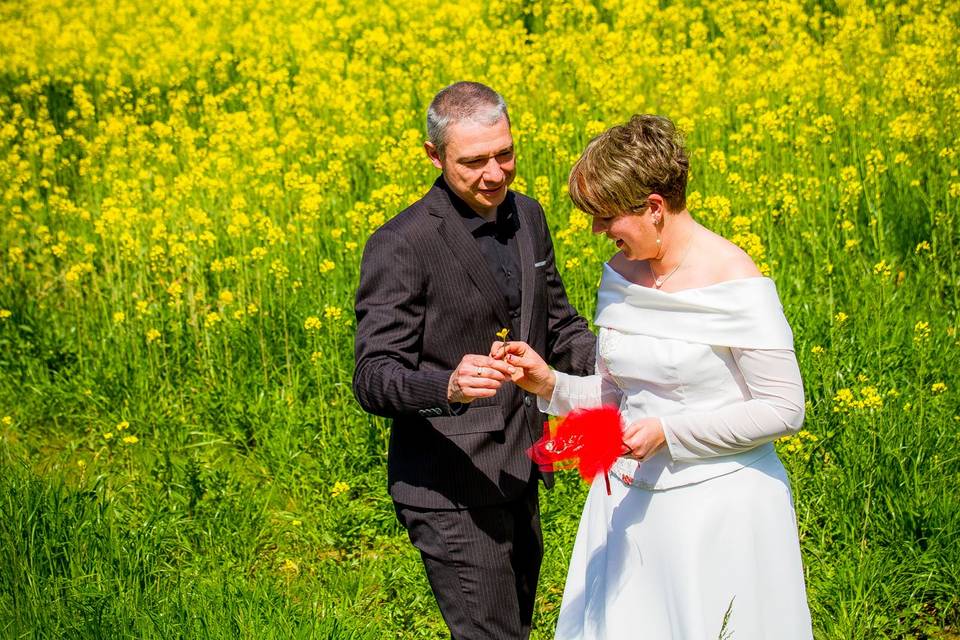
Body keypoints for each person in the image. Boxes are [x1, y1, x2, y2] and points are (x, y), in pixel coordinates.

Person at [498, 115, 813, 639]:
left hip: (719, 510)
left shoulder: (735, 281)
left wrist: (670, 433)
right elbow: (619, 394)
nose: (598, 232)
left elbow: (784, 408)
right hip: (626, 502)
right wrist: (548, 384)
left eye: (606, 217)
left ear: (653, 208)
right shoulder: (621, 276)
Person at [352, 81, 596, 639]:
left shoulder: (527, 216)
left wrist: (626, 367)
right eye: (474, 161)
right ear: (434, 156)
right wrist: (448, 385)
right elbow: (372, 376)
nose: (495, 175)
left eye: (504, 154)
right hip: (449, 487)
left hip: (521, 468)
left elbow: (558, 323)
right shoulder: (401, 243)